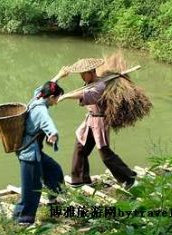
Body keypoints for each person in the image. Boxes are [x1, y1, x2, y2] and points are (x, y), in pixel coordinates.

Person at [57, 58, 137, 189]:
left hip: (100, 122)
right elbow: (85, 93)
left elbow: (87, 94)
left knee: (105, 154)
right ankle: (80, 179)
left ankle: (129, 178)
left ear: (90, 72)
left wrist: (65, 96)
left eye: (83, 74)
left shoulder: (101, 85)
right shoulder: (91, 83)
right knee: (80, 147)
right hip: (90, 120)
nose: (82, 77)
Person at [13, 79, 65, 225]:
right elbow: (48, 123)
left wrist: (59, 76)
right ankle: (23, 218)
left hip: (34, 150)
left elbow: (42, 87)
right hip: (29, 153)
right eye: (57, 99)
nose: (57, 102)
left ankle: (53, 198)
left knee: (53, 169)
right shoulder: (41, 110)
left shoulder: (38, 97)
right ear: (50, 97)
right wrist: (53, 134)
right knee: (32, 188)